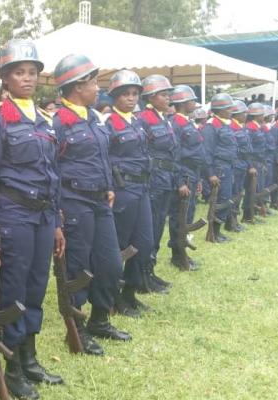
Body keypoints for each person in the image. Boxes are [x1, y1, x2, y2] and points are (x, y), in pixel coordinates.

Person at [0, 39, 65, 399]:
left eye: (32, 73)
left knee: (36, 287)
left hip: (42, 216)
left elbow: (52, 172)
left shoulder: (44, 120)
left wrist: (56, 220)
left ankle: (29, 357)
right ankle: (11, 367)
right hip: (12, 215)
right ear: (5, 79)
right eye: (19, 73)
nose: (27, 78)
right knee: (13, 293)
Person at [52, 54, 129, 358]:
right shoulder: (58, 122)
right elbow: (50, 166)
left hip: (99, 201)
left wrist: (109, 184)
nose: (98, 88)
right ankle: (77, 327)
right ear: (77, 86)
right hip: (74, 202)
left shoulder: (94, 118)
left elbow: (103, 156)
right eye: (93, 82)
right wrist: (57, 208)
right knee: (78, 268)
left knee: (111, 262)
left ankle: (99, 320)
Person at [103, 70, 153, 317]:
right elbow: (104, 158)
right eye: (125, 94)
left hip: (141, 188)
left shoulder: (137, 122)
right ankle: (113, 297)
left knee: (143, 243)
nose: (131, 99)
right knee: (119, 247)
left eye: (135, 94)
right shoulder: (109, 123)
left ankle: (130, 293)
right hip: (123, 190)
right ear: (114, 97)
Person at [138, 74, 179, 294]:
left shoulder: (163, 118)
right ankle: (143, 275)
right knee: (150, 228)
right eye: (164, 95)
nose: (168, 98)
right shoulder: (144, 119)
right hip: (154, 180)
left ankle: (150, 272)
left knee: (158, 227)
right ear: (151, 97)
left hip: (166, 179)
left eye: (168, 94)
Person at [167, 85, 206, 270]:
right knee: (179, 217)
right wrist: (180, 181)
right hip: (184, 174)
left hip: (193, 173)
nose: (194, 104)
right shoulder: (176, 123)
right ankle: (178, 255)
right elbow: (175, 155)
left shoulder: (187, 122)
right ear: (183, 103)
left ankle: (182, 252)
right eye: (192, 100)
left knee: (187, 216)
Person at [202, 93, 236, 243]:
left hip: (227, 166)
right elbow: (207, 151)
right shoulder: (211, 126)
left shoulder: (224, 124)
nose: (231, 111)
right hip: (219, 168)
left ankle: (217, 231)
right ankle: (213, 233)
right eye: (228, 108)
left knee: (226, 198)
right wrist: (210, 173)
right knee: (220, 199)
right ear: (220, 110)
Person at [228, 100, 251, 233]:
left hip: (242, 164)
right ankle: (231, 221)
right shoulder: (232, 127)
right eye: (243, 113)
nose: (245, 115)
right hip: (236, 165)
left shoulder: (240, 126)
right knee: (234, 194)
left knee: (238, 193)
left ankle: (235, 220)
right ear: (236, 114)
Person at [243, 102, 268, 223]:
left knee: (257, 189)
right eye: (261, 114)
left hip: (259, 162)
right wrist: (251, 165)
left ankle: (252, 213)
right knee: (250, 190)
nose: (263, 116)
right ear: (256, 116)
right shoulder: (250, 128)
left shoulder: (256, 126)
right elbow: (248, 149)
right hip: (253, 162)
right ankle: (247, 215)